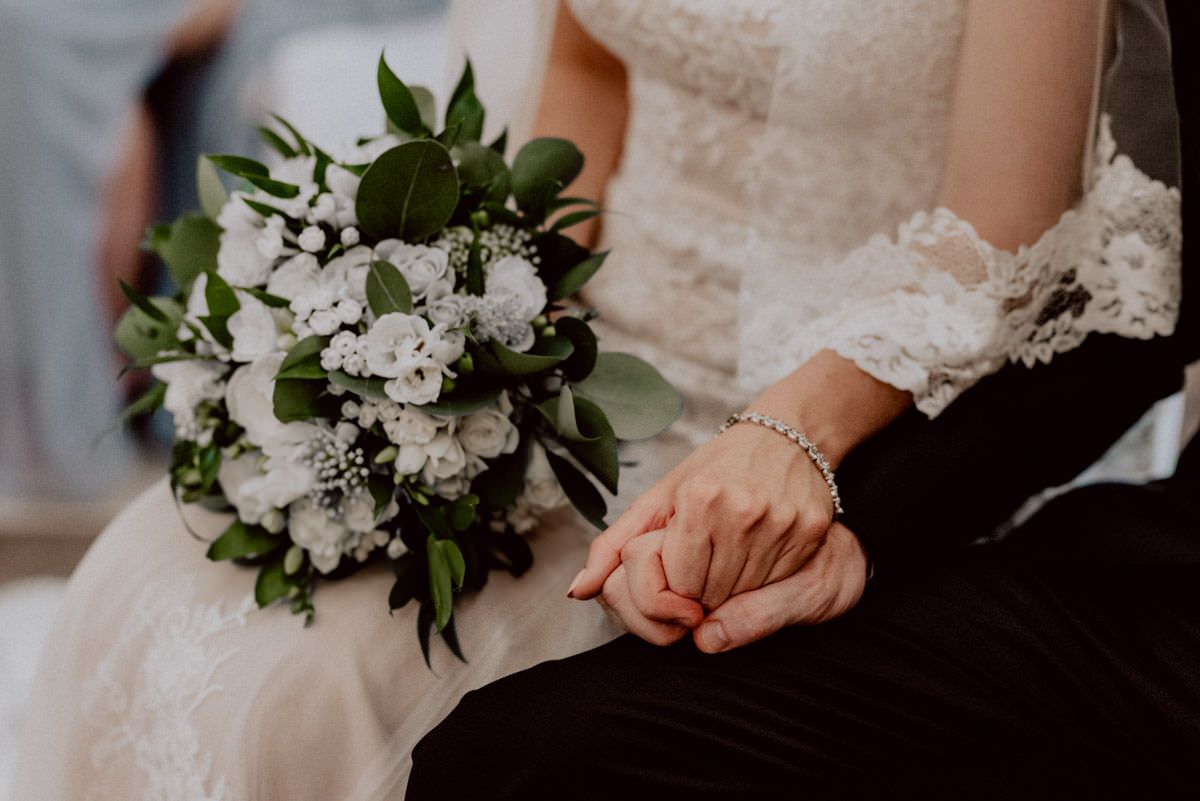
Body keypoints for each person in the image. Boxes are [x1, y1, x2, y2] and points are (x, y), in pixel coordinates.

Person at [14, 2, 1187, 801]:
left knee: (336, 686)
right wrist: (488, 322)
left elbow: (1007, 221)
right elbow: (587, 68)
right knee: (162, 585)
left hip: (838, 402)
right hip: (587, 357)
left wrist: (783, 432)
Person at [406, 1, 1199, 796]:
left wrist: (800, 436)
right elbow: (1148, 313)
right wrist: (481, 331)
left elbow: (1030, 245)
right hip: (605, 375)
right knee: (371, 696)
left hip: (855, 380)